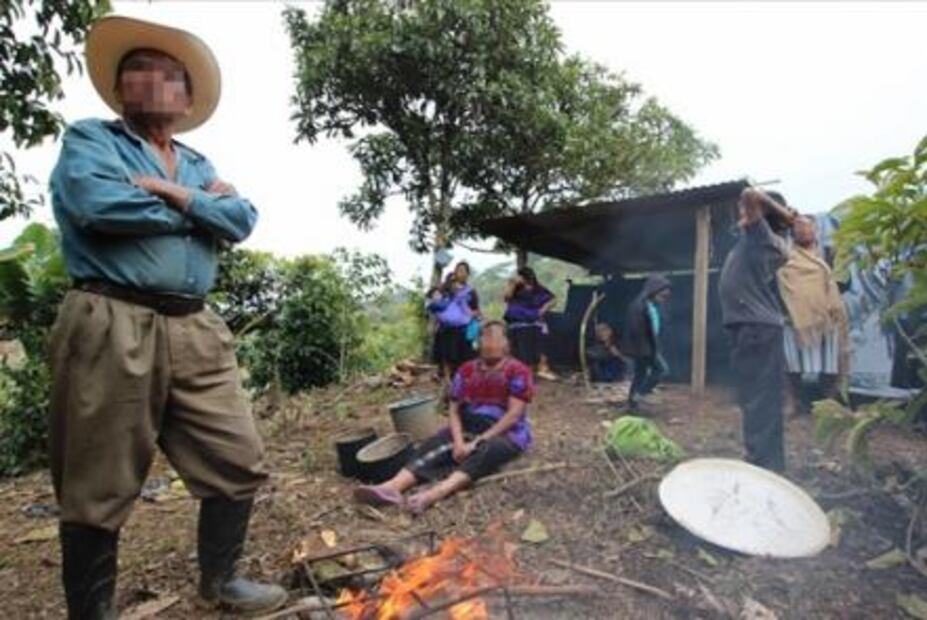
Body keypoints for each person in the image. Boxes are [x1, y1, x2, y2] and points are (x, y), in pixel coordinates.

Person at [47, 16, 286, 618]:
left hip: (195, 327)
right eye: (136, 72)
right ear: (120, 90)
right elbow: (97, 204)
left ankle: (221, 579)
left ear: (186, 96)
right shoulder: (91, 141)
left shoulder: (197, 163)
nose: (150, 82)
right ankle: (92, 611)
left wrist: (176, 192)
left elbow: (244, 220)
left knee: (238, 455)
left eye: (166, 74)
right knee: (97, 480)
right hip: (112, 320)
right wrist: (206, 210)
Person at [353, 322, 534, 513]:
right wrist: (457, 442)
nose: (490, 342)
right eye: (486, 336)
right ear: (478, 342)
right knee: (434, 444)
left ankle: (436, 493)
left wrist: (478, 441)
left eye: (496, 337)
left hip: (506, 432)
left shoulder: (518, 370)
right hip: (469, 424)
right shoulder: (466, 370)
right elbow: (454, 410)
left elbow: (513, 415)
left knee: (487, 450)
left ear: (507, 343)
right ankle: (391, 487)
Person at [719, 188, 797, 473]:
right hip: (752, 328)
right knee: (755, 397)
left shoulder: (761, 236)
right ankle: (764, 461)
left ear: (765, 216)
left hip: (756, 328)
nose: (742, 215)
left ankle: (763, 466)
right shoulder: (765, 239)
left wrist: (784, 214)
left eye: (746, 213)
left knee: (759, 400)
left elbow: (750, 194)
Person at [778, 216, 850, 415]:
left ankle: (829, 404)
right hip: (795, 319)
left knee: (830, 365)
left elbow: (845, 283)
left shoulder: (828, 253)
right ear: (793, 232)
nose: (802, 231)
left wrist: (824, 295)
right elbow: (778, 282)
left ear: (815, 230)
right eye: (798, 227)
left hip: (827, 318)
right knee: (791, 364)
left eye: (806, 227)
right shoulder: (785, 255)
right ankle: (792, 402)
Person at [623, 274, 672, 407]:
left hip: (649, 346)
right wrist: (646, 351)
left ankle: (633, 402)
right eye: (662, 296)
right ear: (654, 291)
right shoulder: (638, 306)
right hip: (643, 348)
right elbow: (636, 331)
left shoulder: (652, 305)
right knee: (661, 370)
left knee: (640, 374)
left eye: (665, 297)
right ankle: (640, 394)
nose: (663, 300)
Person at [430, 262, 481, 383]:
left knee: (464, 357)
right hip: (446, 329)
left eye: (464, 271)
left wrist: (476, 317)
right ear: (455, 272)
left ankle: (462, 382)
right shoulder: (446, 289)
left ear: (468, 274)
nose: (461, 273)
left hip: (463, 329)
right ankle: (448, 382)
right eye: (459, 270)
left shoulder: (471, 292)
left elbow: (475, 309)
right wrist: (435, 324)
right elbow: (438, 305)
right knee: (447, 356)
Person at [503, 267, 557, 379]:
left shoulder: (537, 288)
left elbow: (553, 299)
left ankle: (536, 370)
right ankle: (519, 373)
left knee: (535, 349)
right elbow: (507, 297)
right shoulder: (514, 286)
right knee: (518, 351)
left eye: (521, 276)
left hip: (533, 320)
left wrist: (544, 308)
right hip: (516, 320)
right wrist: (513, 284)